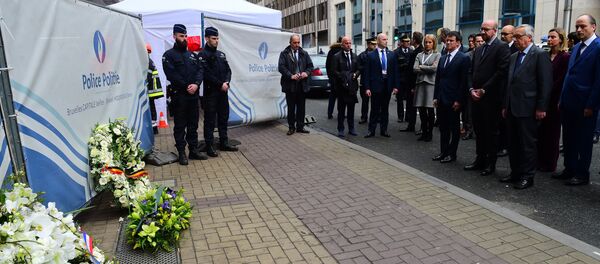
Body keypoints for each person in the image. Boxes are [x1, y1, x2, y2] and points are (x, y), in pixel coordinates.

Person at [500, 24, 552, 189]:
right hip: (512, 107)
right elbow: (509, 83)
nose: (515, 40)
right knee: (513, 143)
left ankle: (527, 176)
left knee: (527, 144)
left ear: (529, 37)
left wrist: (541, 108)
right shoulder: (514, 56)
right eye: (514, 37)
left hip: (528, 108)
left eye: (518, 37)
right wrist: (505, 105)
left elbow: (545, 84)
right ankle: (515, 172)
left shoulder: (540, 55)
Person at [555, 14, 600, 186]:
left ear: (593, 27)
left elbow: (598, 81)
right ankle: (569, 169)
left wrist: (591, 105)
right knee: (568, 138)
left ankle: (582, 173)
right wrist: (562, 98)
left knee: (584, 141)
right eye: (577, 27)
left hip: (585, 104)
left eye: (583, 26)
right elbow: (569, 76)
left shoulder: (597, 47)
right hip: (569, 102)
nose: (579, 30)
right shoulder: (576, 48)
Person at [464, 19, 510, 176]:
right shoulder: (479, 49)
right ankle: (480, 159)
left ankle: (490, 164)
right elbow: (470, 71)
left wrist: (483, 90)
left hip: (491, 99)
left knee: (491, 132)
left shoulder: (502, 47)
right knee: (479, 130)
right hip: (475, 97)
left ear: (494, 31)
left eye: (486, 29)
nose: (482, 32)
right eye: (481, 29)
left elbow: (501, 72)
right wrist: (471, 89)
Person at [162, 24, 207, 165]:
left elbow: (200, 71)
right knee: (180, 125)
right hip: (179, 96)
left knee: (193, 124)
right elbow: (171, 74)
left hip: (193, 96)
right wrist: (186, 86)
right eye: (181, 36)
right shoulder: (168, 55)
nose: (184, 38)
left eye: (185, 36)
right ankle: (181, 152)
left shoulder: (192, 55)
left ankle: (193, 150)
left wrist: (196, 84)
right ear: (174, 36)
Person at [198, 27, 237, 158]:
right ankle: (209, 145)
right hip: (211, 93)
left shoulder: (221, 54)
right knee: (209, 121)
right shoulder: (202, 55)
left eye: (217, 38)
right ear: (207, 38)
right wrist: (220, 84)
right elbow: (206, 74)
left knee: (223, 118)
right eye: (214, 39)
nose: (216, 41)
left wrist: (226, 82)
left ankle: (224, 142)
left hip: (223, 92)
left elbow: (228, 70)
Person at [433, 31, 470, 163]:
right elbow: (438, 79)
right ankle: (443, 152)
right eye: (447, 40)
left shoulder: (464, 58)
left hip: (454, 100)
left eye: (451, 40)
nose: (448, 42)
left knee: (454, 128)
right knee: (443, 128)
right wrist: (436, 96)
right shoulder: (443, 57)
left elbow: (463, 82)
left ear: (458, 42)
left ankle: (452, 153)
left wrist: (459, 100)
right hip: (442, 98)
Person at [537, 28, 570, 173]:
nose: (550, 40)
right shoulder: (545, 55)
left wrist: (547, 89)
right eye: (548, 37)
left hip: (555, 99)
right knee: (541, 132)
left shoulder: (565, 57)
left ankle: (550, 164)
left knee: (552, 134)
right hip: (543, 99)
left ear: (561, 39)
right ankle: (539, 160)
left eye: (553, 37)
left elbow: (562, 79)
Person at [364, 33, 400, 138]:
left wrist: (396, 86)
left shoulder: (391, 54)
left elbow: (395, 72)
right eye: (384, 39)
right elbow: (367, 73)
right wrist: (367, 88)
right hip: (375, 85)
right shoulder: (371, 55)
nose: (386, 41)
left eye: (387, 39)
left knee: (385, 109)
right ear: (378, 41)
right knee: (375, 109)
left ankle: (384, 130)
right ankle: (371, 130)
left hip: (387, 85)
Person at [278, 34, 314, 135]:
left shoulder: (304, 53)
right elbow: (281, 67)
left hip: (302, 84)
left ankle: (300, 127)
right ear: (290, 43)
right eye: (295, 42)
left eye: (298, 42)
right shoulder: (284, 54)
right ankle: (291, 127)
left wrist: (306, 73)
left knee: (301, 108)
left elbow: (310, 66)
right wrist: (291, 76)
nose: (297, 44)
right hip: (290, 85)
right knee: (291, 108)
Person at [412, 34, 440, 142]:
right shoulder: (419, 54)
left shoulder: (437, 55)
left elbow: (434, 69)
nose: (427, 44)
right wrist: (427, 67)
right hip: (420, 84)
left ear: (434, 43)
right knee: (422, 110)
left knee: (430, 110)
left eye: (430, 42)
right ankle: (424, 132)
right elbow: (414, 69)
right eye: (426, 42)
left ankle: (430, 133)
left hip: (430, 84)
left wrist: (422, 66)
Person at [332, 36, 359, 137]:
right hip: (341, 87)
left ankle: (351, 128)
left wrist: (356, 74)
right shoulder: (336, 56)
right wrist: (344, 77)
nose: (348, 45)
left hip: (352, 86)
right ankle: (341, 129)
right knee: (341, 110)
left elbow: (358, 68)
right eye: (346, 43)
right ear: (342, 45)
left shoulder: (355, 56)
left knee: (351, 109)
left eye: (350, 43)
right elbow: (334, 71)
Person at [401, 32, 425, 133]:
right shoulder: (417, 51)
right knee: (413, 106)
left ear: (414, 40)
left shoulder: (418, 52)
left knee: (415, 106)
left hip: (414, 83)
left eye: (411, 39)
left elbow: (413, 71)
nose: (410, 40)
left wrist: (412, 86)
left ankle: (414, 126)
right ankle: (412, 125)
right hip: (414, 83)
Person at [395, 35, 415, 127]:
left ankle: (408, 116)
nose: (407, 43)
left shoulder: (412, 52)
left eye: (408, 41)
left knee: (409, 99)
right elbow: (394, 66)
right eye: (405, 41)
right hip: (400, 79)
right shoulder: (396, 52)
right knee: (399, 99)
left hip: (408, 79)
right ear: (401, 42)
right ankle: (400, 116)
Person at [357, 37, 377, 124]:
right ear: (368, 44)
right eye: (373, 44)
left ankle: (376, 117)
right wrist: (366, 67)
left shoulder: (378, 54)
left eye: (375, 44)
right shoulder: (362, 55)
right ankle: (364, 117)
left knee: (375, 102)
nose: (375, 46)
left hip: (375, 81)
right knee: (365, 101)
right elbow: (358, 67)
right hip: (365, 81)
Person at [145, 43, 164, 135]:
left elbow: (147, 77)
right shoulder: (150, 61)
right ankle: (154, 127)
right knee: (152, 108)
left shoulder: (146, 62)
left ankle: (153, 128)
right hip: (152, 91)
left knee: (150, 109)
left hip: (149, 91)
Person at [326, 37, 343, 119]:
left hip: (333, 78)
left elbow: (327, 65)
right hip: (341, 78)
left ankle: (330, 113)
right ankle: (341, 113)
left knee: (332, 96)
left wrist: (330, 76)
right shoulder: (343, 51)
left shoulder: (331, 51)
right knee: (341, 97)